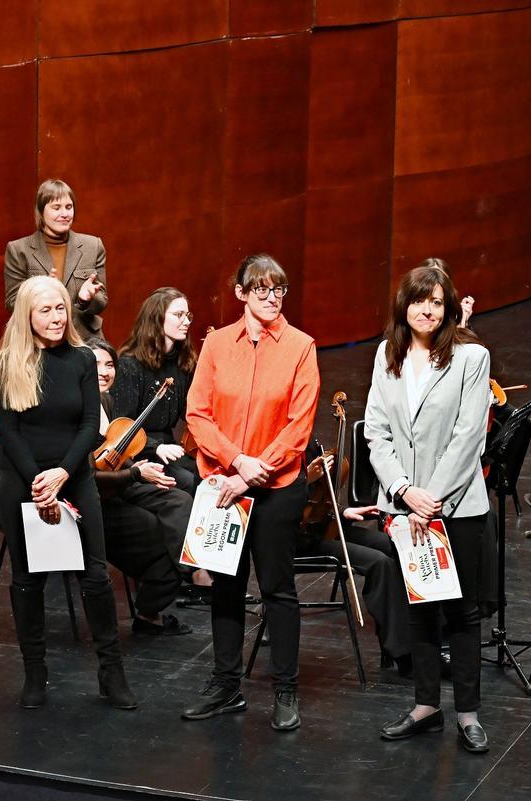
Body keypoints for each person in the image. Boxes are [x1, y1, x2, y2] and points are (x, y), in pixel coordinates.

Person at [181, 254, 318, 731]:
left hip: (277, 488)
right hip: (223, 483)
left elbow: (299, 427)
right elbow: (197, 413)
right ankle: (225, 686)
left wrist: (253, 472)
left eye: (278, 289)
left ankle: (285, 690)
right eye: (260, 289)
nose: (271, 297)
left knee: (277, 589)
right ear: (240, 293)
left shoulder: (301, 346)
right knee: (226, 586)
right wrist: (237, 464)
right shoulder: (217, 344)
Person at [364, 261, 492, 754]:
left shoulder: (470, 357)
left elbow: (468, 436)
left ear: (449, 308)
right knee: (418, 609)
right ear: (405, 305)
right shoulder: (385, 355)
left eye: (437, 302)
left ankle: (468, 713)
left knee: (461, 611)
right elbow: (375, 431)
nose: (428, 310)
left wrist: (431, 497)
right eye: (420, 301)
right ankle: (425, 706)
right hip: (406, 507)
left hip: (455, 507)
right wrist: (403, 491)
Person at [0, 276, 137, 710]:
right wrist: (40, 481)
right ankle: (35, 673)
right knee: (27, 581)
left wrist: (61, 474)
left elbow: (88, 424)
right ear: (28, 317)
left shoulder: (81, 360)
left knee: (95, 578)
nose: (56, 318)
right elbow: (10, 434)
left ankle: (111, 673)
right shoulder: (5, 365)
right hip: (25, 483)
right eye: (46, 311)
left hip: (73, 477)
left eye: (61, 309)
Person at [89, 338, 193, 636]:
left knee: (180, 500)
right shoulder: (77, 410)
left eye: (109, 365)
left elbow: (121, 457)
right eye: (96, 364)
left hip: (121, 482)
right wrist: (137, 472)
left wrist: (141, 471)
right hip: (99, 495)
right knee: (162, 532)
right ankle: (180, 579)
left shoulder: (108, 403)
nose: (105, 371)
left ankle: (191, 567)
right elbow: (90, 473)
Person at [297, 444, 410, 674]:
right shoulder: (274, 451)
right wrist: (306, 480)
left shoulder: (309, 446)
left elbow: (317, 501)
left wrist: (341, 513)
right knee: (379, 562)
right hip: (297, 538)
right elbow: (279, 504)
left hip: (321, 526)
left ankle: (399, 634)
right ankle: (403, 653)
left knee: (392, 546)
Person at [112, 287, 200, 494]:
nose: (186, 321)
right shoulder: (129, 365)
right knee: (188, 481)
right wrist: (156, 447)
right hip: (137, 452)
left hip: (169, 447)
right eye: (178, 315)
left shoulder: (183, 363)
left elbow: (190, 412)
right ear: (156, 318)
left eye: (188, 315)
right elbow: (121, 426)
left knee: (208, 476)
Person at [3, 179, 107, 339]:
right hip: (40, 341)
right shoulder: (19, 250)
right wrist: (41, 291)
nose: (64, 214)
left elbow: (102, 302)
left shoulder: (93, 245)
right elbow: (12, 303)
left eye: (69, 207)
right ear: (41, 211)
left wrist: (85, 300)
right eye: (56, 208)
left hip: (85, 339)